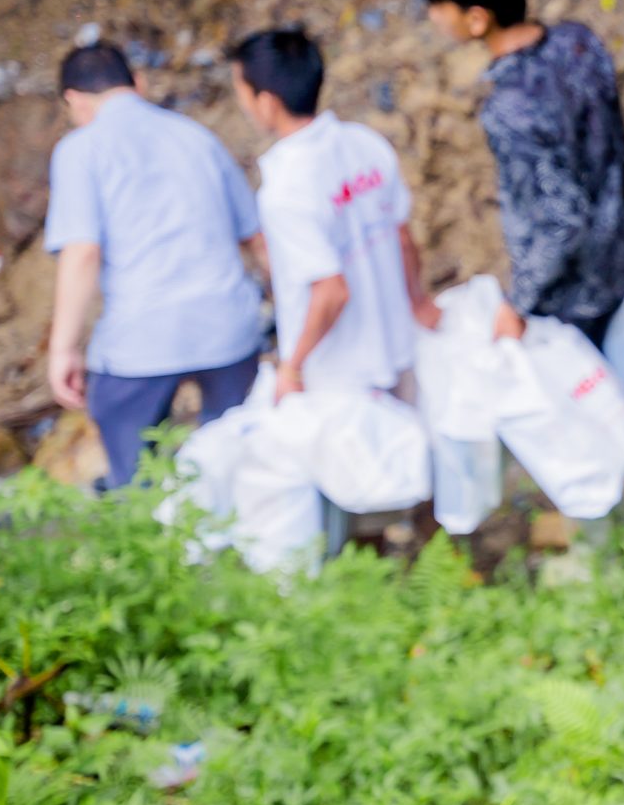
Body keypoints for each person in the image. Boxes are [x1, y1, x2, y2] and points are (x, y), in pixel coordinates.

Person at [42, 44, 267, 488]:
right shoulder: (196, 136)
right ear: (138, 84)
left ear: (74, 101)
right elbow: (257, 239)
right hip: (229, 332)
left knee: (134, 468)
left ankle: (145, 520)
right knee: (239, 464)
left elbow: (82, 252)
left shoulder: (79, 149)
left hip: (141, 340)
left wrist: (63, 349)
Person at [414, 0, 624, 347]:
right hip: (616, 255)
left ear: (476, 20)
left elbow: (561, 221)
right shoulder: (578, 43)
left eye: (438, 5)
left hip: (572, 292)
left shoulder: (508, 109)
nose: (432, 16)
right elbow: (616, 144)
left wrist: (517, 304)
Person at [230, 27, 435, 398]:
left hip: (343, 375)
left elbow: (331, 292)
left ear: (267, 102)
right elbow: (403, 238)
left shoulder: (285, 189)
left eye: (242, 92)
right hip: (399, 345)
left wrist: (292, 367)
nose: (242, 104)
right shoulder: (365, 143)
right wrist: (418, 301)